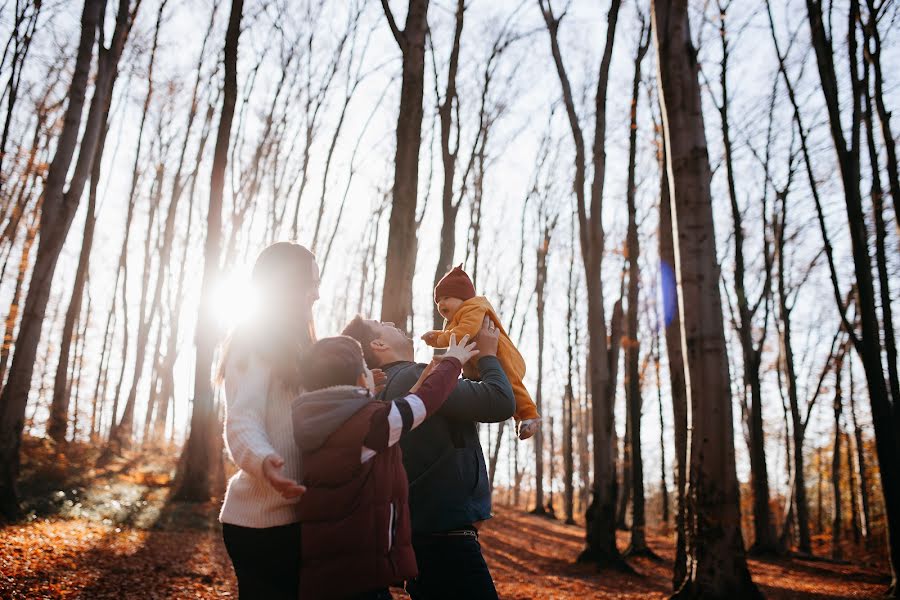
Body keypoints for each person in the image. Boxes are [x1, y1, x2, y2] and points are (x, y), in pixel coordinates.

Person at [292, 334, 479, 599]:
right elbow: (421, 405)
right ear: (359, 379)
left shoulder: (312, 422)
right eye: (366, 370)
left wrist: (421, 381)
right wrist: (453, 361)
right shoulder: (372, 424)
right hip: (360, 574)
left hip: (322, 571)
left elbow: (398, 409)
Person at [342, 315, 514, 600]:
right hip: (446, 542)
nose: (392, 322)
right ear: (378, 343)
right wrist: (487, 356)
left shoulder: (377, 395)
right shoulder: (413, 377)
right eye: (383, 323)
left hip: (419, 537)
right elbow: (499, 401)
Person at [218, 242, 316, 599]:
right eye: (311, 283)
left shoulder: (299, 349)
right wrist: (264, 461)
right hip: (260, 525)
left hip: (295, 521)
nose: (317, 294)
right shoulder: (255, 342)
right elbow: (242, 419)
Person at [422, 264, 541, 440]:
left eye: (446, 297)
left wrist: (439, 338)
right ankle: (520, 418)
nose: (441, 304)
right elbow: (458, 340)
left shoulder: (473, 308)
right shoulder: (455, 319)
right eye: (438, 301)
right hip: (479, 364)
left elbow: (465, 332)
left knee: (511, 383)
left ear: (463, 297)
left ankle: (530, 414)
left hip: (501, 356)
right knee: (495, 391)